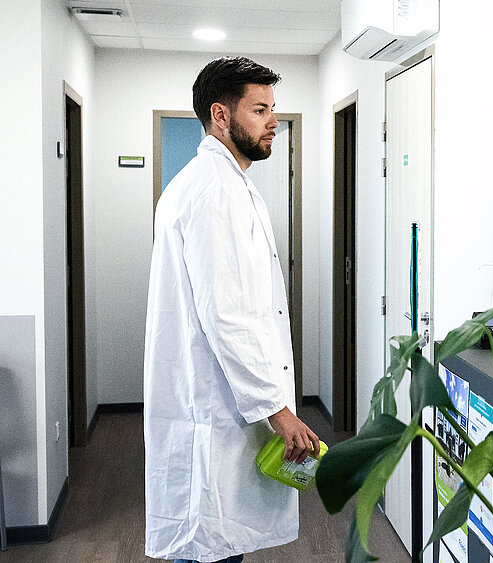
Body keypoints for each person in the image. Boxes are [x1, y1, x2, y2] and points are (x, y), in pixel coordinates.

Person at [143, 56, 321, 563]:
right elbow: (228, 316)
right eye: (259, 110)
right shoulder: (213, 191)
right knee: (209, 544)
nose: (273, 122)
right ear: (220, 115)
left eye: (273, 109)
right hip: (215, 408)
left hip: (221, 404)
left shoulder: (225, 184)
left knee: (214, 543)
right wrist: (277, 410)